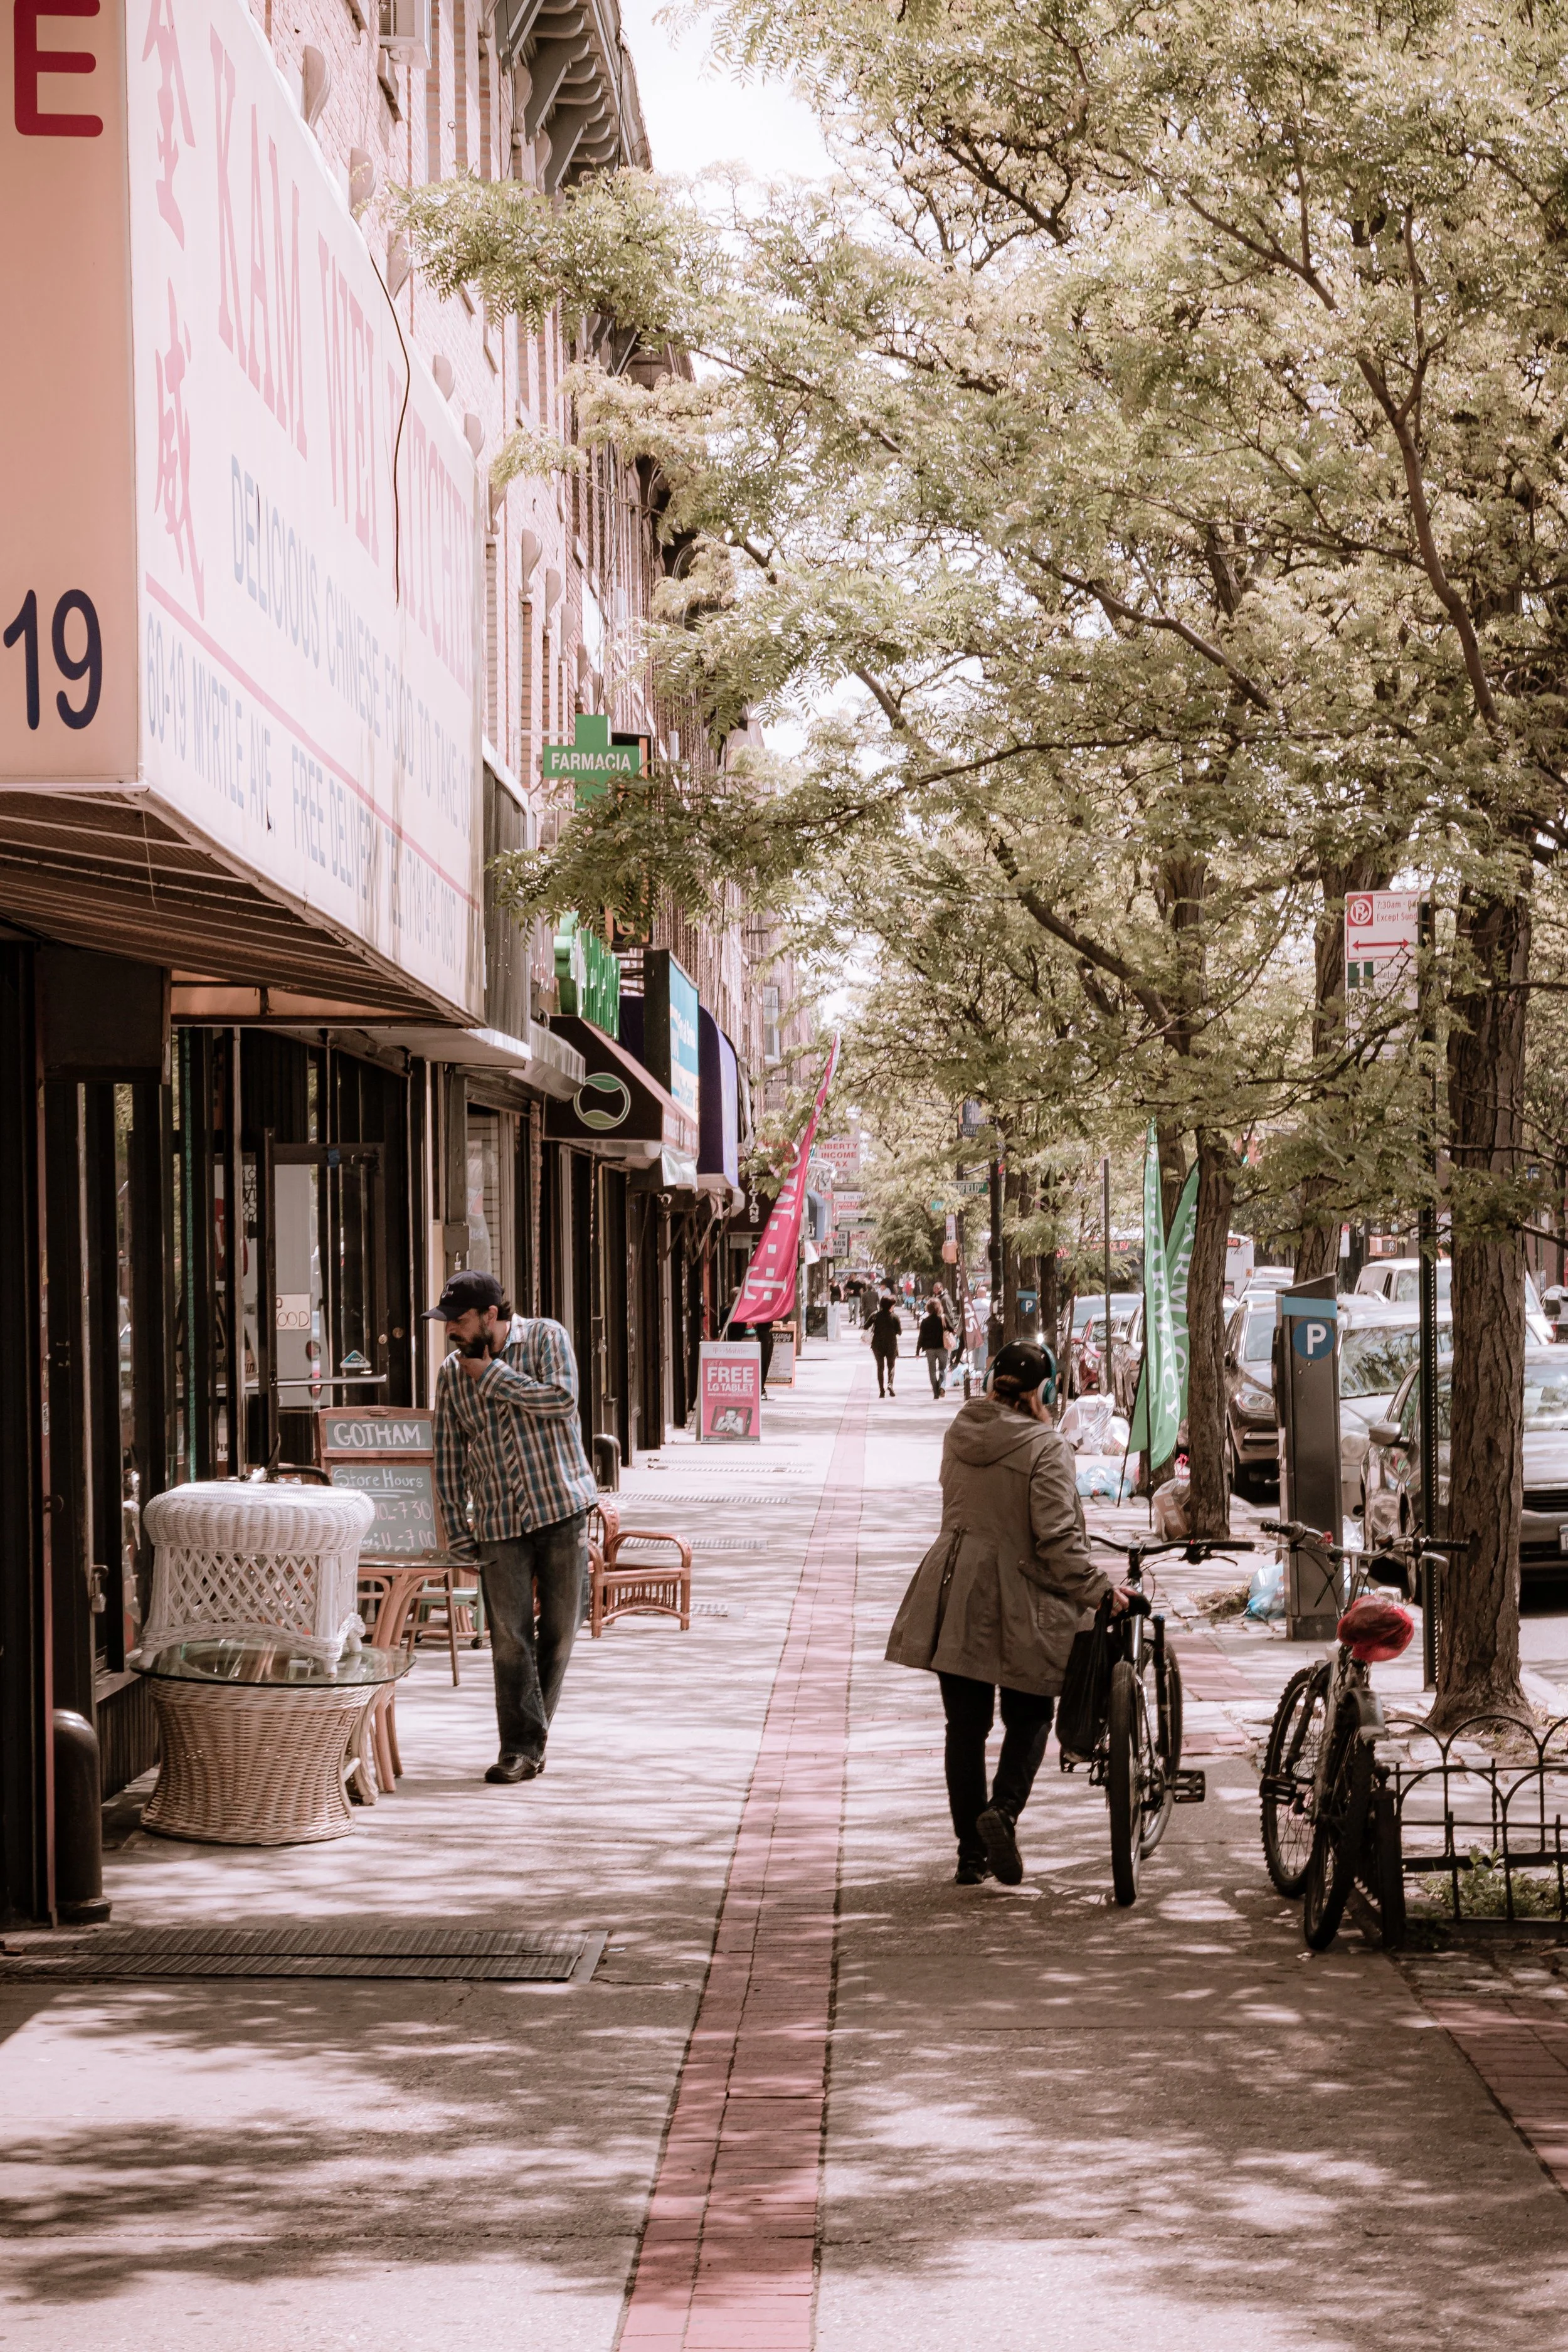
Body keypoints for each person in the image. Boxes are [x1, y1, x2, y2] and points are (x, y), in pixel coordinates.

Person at [884, 1340, 1128, 1884]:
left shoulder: (961, 1429)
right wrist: (1097, 1589)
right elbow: (1057, 1539)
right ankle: (1003, 1811)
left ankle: (970, 1855)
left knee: (965, 1727)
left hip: (954, 1588)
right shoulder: (1046, 1448)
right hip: (1022, 1600)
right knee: (1031, 1716)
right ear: (1045, 1390)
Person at [429, 1269, 598, 1784]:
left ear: (491, 1316)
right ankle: (519, 1748)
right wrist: (457, 1527)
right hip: (498, 1519)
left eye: (459, 1320)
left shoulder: (548, 1337)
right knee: (509, 1639)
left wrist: (493, 1378)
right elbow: (448, 1455)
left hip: (561, 1507)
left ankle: (531, 1738)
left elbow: (562, 1401)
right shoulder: (449, 1374)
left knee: (562, 1634)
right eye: (447, 1322)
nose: (451, 1331)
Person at [916, 1295, 955, 1397]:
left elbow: (921, 1337)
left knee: (932, 1371)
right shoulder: (943, 1318)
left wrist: (917, 1351)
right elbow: (952, 1329)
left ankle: (936, 1392)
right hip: (942, 1347)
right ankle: (942, 1386)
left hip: (929, 1349)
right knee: (943, 1369)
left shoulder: (925, 1321)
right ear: (939, 1308)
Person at [868, 1294, 903, 1396]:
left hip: (877, 1344)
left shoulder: (875, 1315)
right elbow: (899, 1332)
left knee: (880, 1367)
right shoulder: (895, 1317)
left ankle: (881, 1391)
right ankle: (890, 1384)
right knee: (891, 1366)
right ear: (891, 1306)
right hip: (891, 1344)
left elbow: (866, 1326)